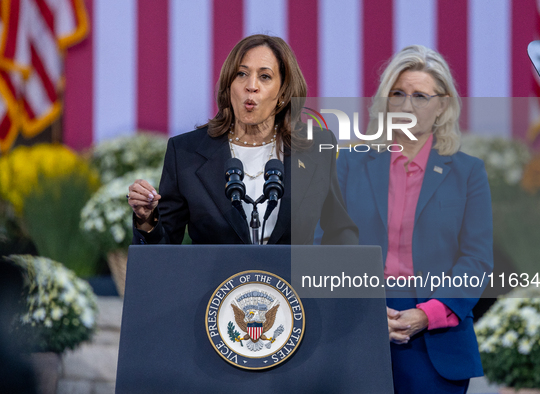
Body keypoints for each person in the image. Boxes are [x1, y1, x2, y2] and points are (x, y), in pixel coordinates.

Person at [335, 45, 493, 393]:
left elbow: (477, 260)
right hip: (356, 326)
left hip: (436, 334)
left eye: (420, 96)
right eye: (398, 94)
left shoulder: (468, 173)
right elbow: (326, 245)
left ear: (443, 106)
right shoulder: (348, 164)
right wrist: (367, 307)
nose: (407, 106)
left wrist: (429, 314)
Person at [127, 34, 358, 246]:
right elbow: (163, 251)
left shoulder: (315, 147)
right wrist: (147, 219)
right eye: (241, 74)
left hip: (292, 290)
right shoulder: (185, 152)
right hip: (215, 289)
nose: (251, 86)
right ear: (229, 86)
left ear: (283, 93)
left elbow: (339, 229)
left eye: (265, 76)